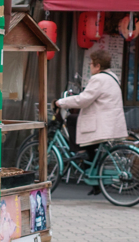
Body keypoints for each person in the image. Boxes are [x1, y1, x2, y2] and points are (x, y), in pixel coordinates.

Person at [54, 49, 128, 195]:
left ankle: (80, 151)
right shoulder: (112, 77)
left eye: (91, 64)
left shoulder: (98, 79)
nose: (89, 66)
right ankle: (94, 179)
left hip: (102, 124)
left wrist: (61, 102)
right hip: (111, 122)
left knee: (72, 120)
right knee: (91, 146)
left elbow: (83, 100)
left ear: (98, 66)